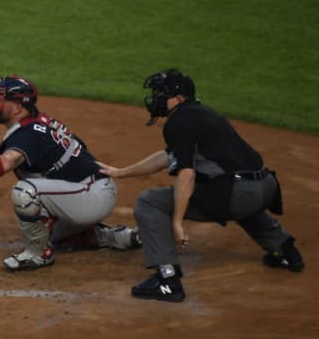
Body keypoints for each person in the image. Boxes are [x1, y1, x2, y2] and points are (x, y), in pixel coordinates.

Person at [98, 68, 305, 302]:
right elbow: (167, 157)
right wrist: (121, 173)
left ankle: (168, 280)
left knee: (151, 202)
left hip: (240, 194)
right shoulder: (201, 113)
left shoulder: (177, 123)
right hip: (266, 187)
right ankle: (286, 250)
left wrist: (176, 221)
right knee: (228, 189)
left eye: (161, 94)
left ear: (177, 98)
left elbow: (187, 174)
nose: (156, 99)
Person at [0, 75, 141, 271]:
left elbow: (4, 164)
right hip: (90, 189)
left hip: (90, 196)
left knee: (25, 192)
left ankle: (37, 254)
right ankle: (114, 237)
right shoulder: (41, 123)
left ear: (18, 107)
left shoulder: (28, 133)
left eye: (0, 99)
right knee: (48, 233)